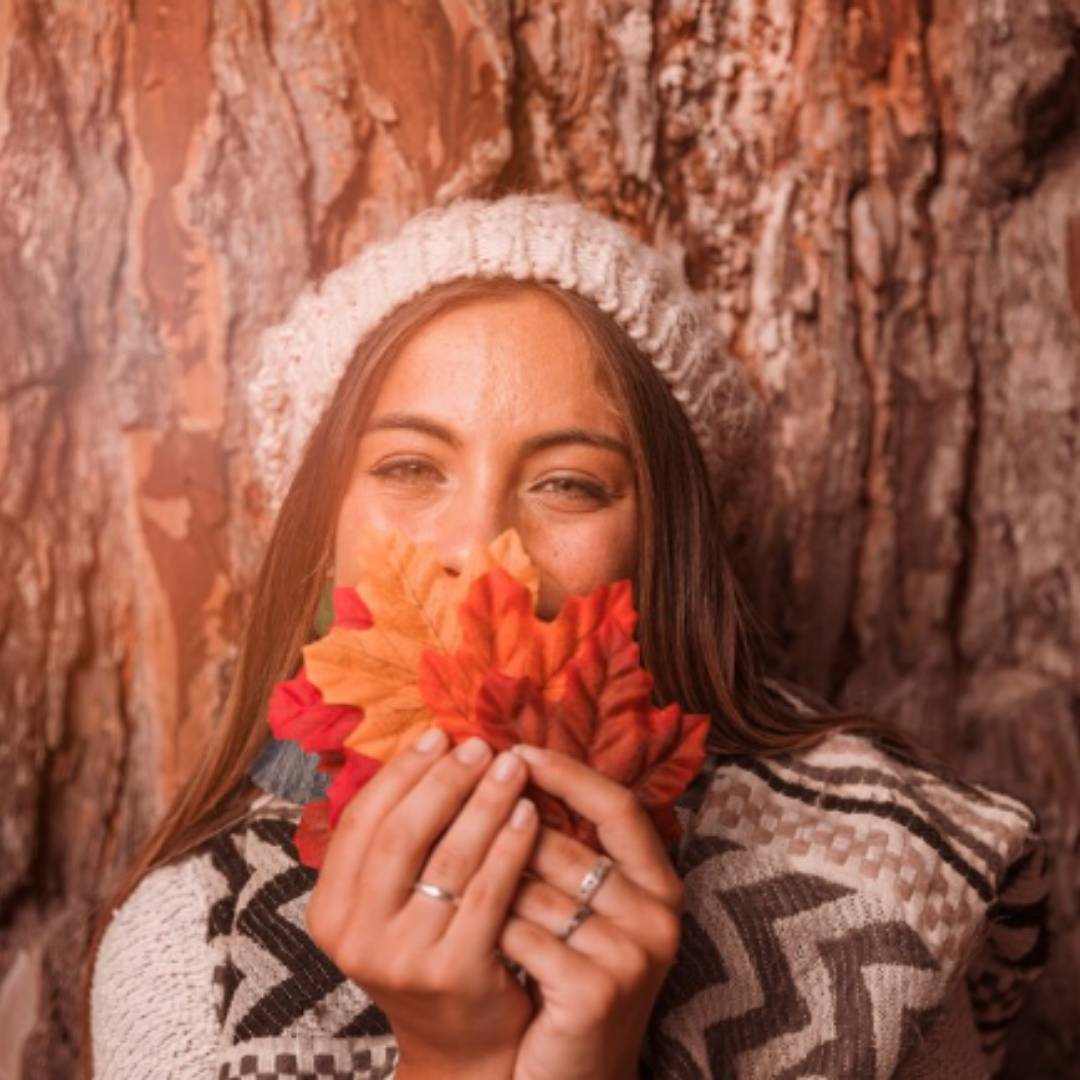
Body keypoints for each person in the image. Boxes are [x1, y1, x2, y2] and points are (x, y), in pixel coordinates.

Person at [85, 195, 1048, 1079]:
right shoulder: (192, 946)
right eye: (412, 467)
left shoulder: (886, 894)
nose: (478, 552)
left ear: (664, 542)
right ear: (321, 528)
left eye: (569, 484)